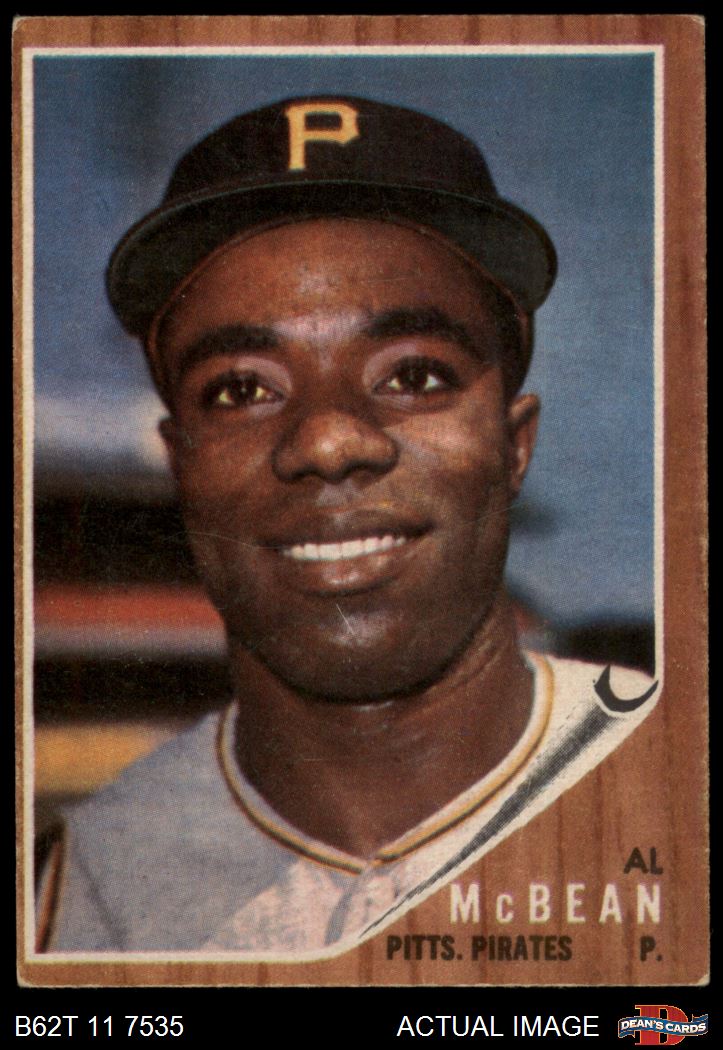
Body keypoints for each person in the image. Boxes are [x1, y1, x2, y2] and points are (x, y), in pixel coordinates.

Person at [36, 96, 657, 955]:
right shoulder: (76, 888)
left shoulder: (676, 788)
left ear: (513, 445)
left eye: (413, 375)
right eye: (241, 389)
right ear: (180, 465)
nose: (328, 441)